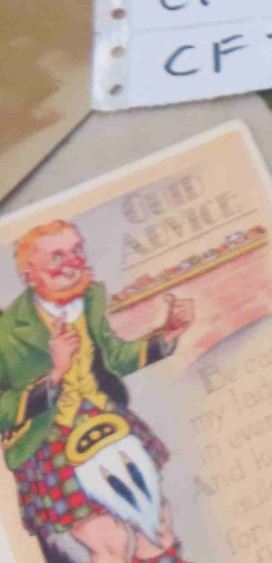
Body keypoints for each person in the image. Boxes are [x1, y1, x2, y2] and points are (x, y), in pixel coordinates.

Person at [0, 219, 196, 563]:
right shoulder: (6, 331)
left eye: (77, 250)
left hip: (104, 415)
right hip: (49, 437)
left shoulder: (89, 299)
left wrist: (167, 334)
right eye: (57, 257)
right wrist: (55, 375)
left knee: (158, 527)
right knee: (112, 543)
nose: (73, 263)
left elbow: (115, 357)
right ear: (29, 273)